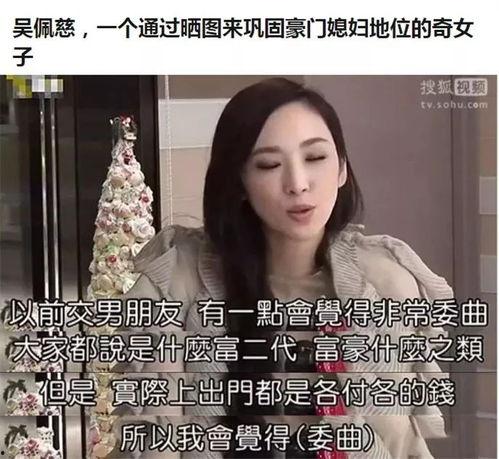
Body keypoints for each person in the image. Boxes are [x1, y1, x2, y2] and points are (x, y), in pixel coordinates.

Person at [117, 78, 453, 459]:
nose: (298, 184)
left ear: (342, 169)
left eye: (315, 158)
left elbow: (401, 444)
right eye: (269, 164)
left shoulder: (387, 284)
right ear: (239, 181)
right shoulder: (177, 286)